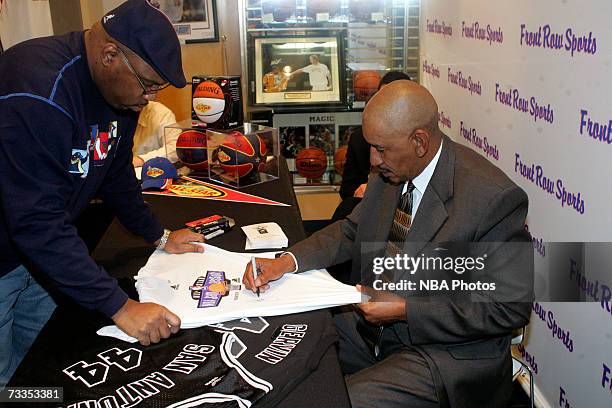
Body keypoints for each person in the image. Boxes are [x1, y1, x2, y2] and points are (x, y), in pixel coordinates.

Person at [243, 81, 534, 407]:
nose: (373, 158)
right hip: (371, 327)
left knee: (335, 400)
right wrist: (286, 262)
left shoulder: (491, 198)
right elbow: (352, 231)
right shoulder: (392, 168)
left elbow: (509, 307)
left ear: (420, 142)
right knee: (280, 351)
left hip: (442, 353)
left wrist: (405, 310)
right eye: (371, 147)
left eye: (381, 149)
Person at [0, 0, 205, 388]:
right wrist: (122, 308)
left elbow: (115, 173)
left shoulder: (119, 96)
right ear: (111, 54)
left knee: (38, 371)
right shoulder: (38, 92)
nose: (150, 99)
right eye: (149, 85)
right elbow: (35, 221)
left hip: (41, 259)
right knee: (3, 384)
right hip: (10, 254)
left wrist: (158, 236)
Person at [333, 71, 413, 221]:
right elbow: (346, 188)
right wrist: (361, 190)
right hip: (368, 211)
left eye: (392, 100)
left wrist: (375, 190)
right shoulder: (359, 138)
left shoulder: (415, 143)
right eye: (381, 98)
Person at [132, 100, 179, 167]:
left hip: (152, 172)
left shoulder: (162, 114)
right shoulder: (114, 112)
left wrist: (141, 160)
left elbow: (175, 148)